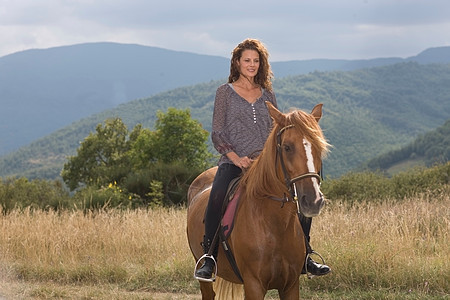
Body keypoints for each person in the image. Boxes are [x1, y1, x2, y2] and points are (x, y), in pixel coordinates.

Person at [194, 38, 330, 282]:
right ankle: (210, 257)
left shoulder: (267, 93)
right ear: (237, 62)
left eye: (256, 61)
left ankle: (306, 254)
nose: (252, 64)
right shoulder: (224, 93)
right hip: (234, 162)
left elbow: (275, 129)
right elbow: (218, 132)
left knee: (299, 195)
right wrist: (235, 158)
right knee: (217, 195)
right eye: (247, 60)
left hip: (265, 163)